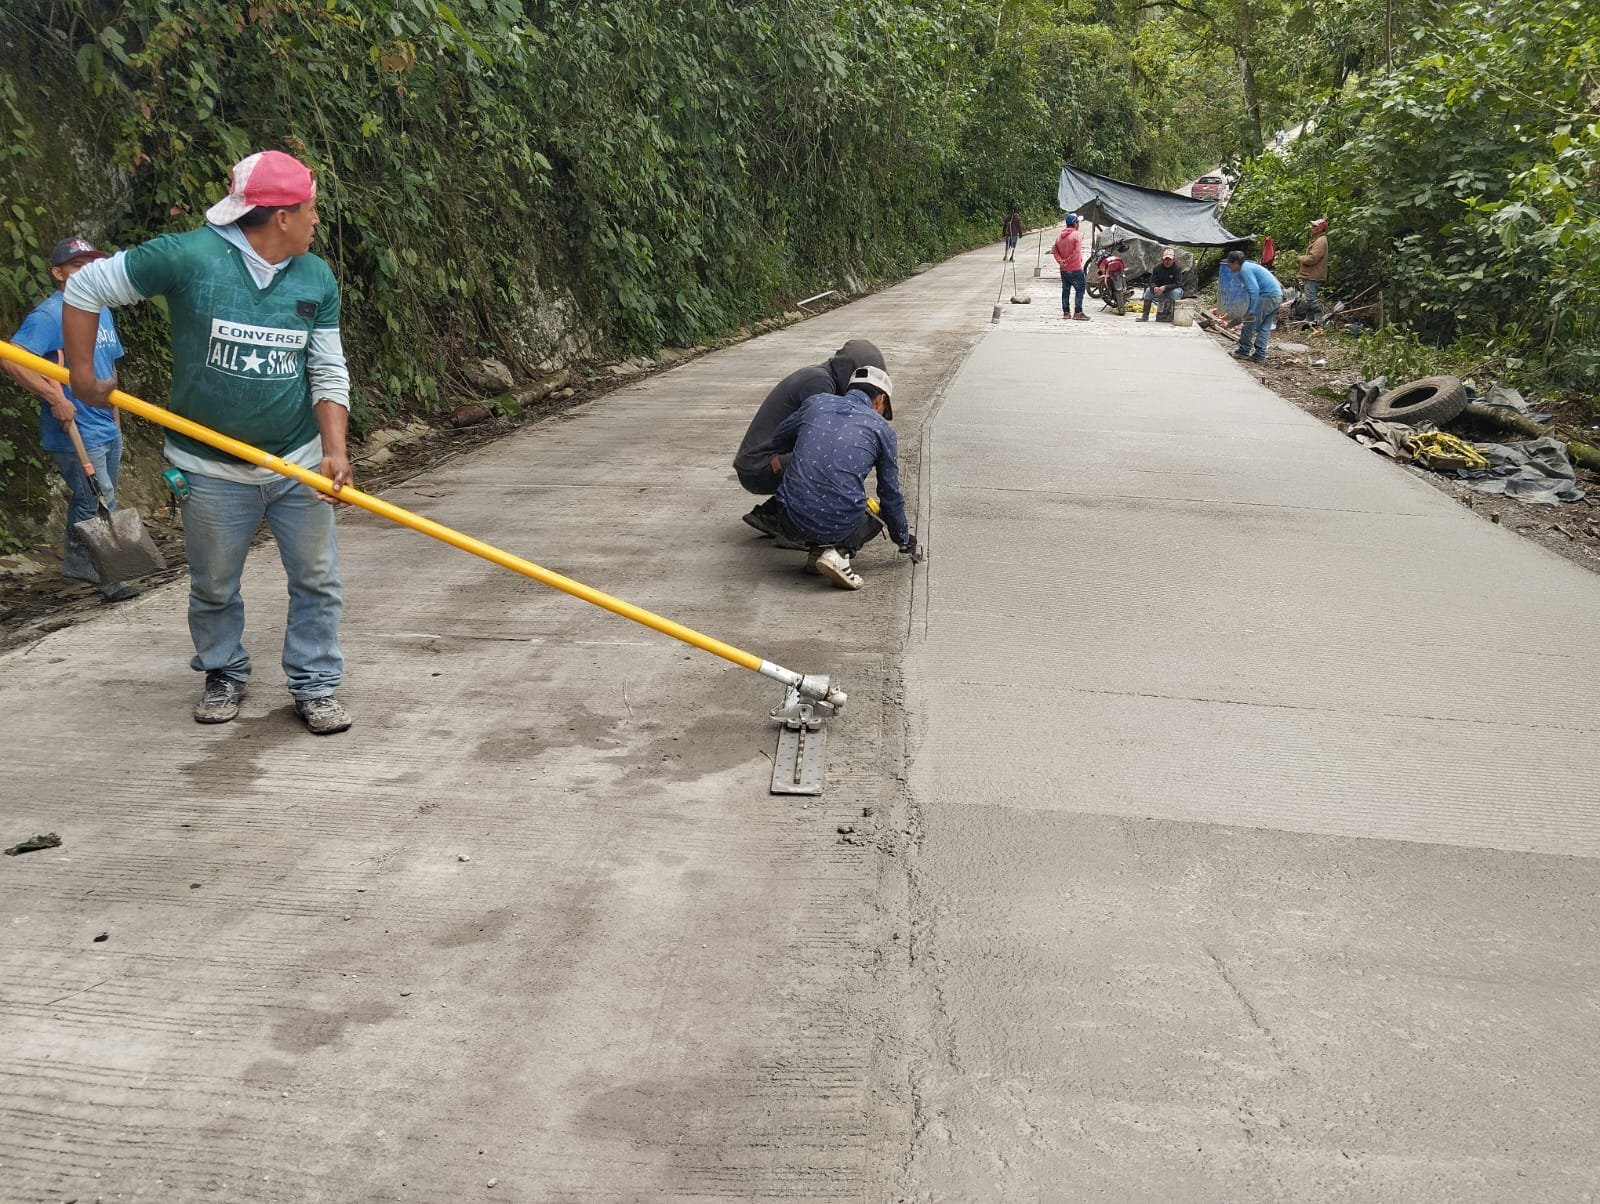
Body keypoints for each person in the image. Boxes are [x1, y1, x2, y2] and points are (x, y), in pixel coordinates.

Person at [61, 150, 355, 735]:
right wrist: (83, 377)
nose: (317, 220)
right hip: (210, 468)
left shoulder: (315, 277)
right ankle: (224, 672)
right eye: (311, 210)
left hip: (296, 462)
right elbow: (86, 285)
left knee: (318, 580)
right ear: (280, 217)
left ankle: (315, 683)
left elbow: (328, 370)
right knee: (214, 583)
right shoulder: (190, 256)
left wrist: (335, 449)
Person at [3, 237, 139, 604]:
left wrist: (116, 415)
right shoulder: (49, 315)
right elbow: (12, 358)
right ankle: (109, 577)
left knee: (92, 496)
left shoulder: (101, 311)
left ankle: (79, 561)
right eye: (78, 266)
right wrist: (53, 398)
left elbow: (109, 366)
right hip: (74, 426)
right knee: (99, 497)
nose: (87, 272)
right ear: (58, 273)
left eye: (92, 265)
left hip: (106, 422)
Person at [743, 365, 918, 591]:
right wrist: (903, 539)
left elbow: (779, 438)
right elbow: (891, 495)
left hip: (788, 521)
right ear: (880, 400)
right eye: (884, 410)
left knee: (809, 476)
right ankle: (840, 554)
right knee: (877, 511)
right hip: (838, 525)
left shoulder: (816, 403)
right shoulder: (882, 430)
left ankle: (817, 553)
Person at [736, 339, 884, 542]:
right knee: (825, 456)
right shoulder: (819, 383)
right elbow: (820, 442)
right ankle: (781, 518)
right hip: (760, 466)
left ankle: (772, 513)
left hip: (766, 460)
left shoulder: (823, 377)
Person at [1219, 248, 1284, 362]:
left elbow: (1254, 290)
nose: (1229, 266)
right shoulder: (1248, 267)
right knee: (1264, 327)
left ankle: (1243, 351)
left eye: (1229, 263)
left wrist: (1252, 311)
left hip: (1267, 297)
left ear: (1235, 263)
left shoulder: (1245, 269)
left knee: (1249, 325)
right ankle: (1260, 354)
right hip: (1276, 296)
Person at [1050, 214, 1088, 321]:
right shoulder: (1077, 235)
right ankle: (1078, 312)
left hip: (1063, 269)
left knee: (1065, 290)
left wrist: (1061, 262)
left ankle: (1066, 312)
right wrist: (1067, 261)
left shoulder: (1059, 237)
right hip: (1075, 268)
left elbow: (1055, 251)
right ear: (1075, 223)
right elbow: (1076, 252)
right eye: (1078, 222)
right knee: (1080, 289)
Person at [1138, 247, 1185, 322]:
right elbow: (1151, 282)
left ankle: (1174, 316)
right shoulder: (1157, 268)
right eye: (1166, 259)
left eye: (1170, 259)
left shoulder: (1177, 269)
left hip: (1172, 291)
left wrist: (1165, 287)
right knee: (1147, 292)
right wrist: (1154, 288)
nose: (1167, 261)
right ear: (1162, 259)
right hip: (1159, 291)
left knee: (1176, 293)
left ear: (1173, 260)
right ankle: (1145, 316)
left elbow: (1178, 283)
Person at [1297, 218, 1329, 307]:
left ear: (1320, 229)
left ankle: (1318, 318)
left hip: (1313, 275)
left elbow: (1313, 259)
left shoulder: (1320, 241)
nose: (1311, 228)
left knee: (1311, 299)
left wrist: (1300, 258)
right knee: (1309, 298)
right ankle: (1310, 319)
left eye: (1314, 226)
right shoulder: (1318, 240)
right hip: (1311, 274)